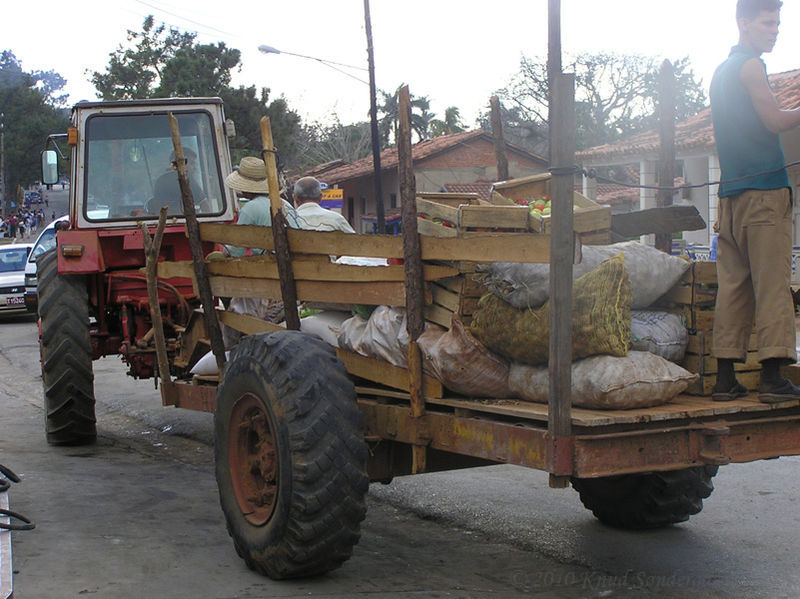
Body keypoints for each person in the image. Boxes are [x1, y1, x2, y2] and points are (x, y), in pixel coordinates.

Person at [709, 0, 800, 403]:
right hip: (764, 194)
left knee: (733, 287)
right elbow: (776, 122)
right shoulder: (751, 66)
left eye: (778, 23)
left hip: (730, 197)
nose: (775, 29)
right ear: (744, 23)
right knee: (773, 285)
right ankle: (773, 376)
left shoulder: (720, 72)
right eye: (768, 22)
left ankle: (725, 378)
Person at [222, 156, 298, 257]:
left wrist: (223, 252)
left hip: (272, 261)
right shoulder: (283, 203)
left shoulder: (250, 208)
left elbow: (237, 250)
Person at [151, 148, 206, 215]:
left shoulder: (160, 181)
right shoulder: (187, 179)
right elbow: (204, 205)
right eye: (192, 163)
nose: (195, 168)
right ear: (179, 164)